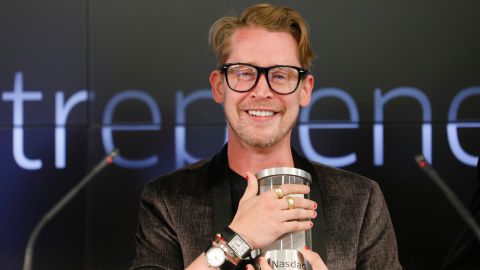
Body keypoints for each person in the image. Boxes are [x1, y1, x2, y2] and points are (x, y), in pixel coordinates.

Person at [130, 3, 401, 270]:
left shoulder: (360, 201)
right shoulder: (167, 200)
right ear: (218, 86)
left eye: (280, 75)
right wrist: (237, 239)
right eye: (245, 73)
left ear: (305, 90)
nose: (262, 91)